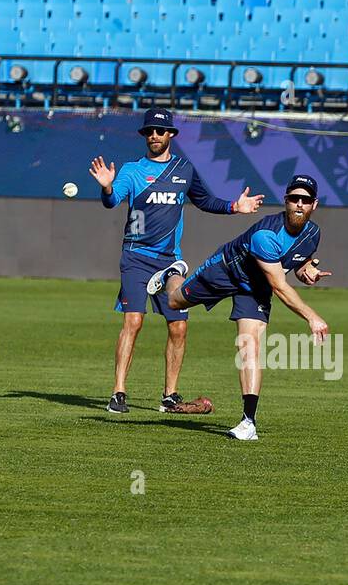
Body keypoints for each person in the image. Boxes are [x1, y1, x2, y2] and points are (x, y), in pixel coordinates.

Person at [89, 108, 264, 415]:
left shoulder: (184, 169)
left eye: (159, 130)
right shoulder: (132, 171)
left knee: (179, 328)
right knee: (133, 321)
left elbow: (206, 201)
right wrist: (106, 187)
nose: (154, 136)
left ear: (171, 134)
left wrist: (236, 205)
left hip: (170, 262)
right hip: (136, 257)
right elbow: (111, 201)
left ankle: (170, 395)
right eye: (149, 131)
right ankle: (118, 392)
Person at [148, 175, 330, 441]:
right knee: (175, 300)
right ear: (286, 201)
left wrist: (306, 272)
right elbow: (280, 286)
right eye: (294, 199)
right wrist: (312, 317)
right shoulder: (266, 236)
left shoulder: (313, 234)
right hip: (225, 270)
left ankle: (248, 422)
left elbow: (297, 263)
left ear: (314, 204)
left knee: (250, 346)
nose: (299, 205)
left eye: (305, 200)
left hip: (254, 289)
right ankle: (173, 272)